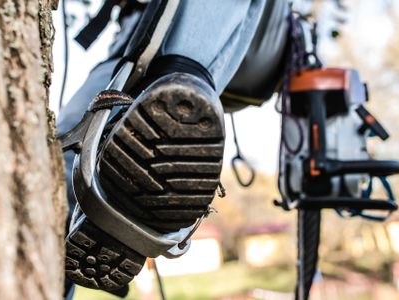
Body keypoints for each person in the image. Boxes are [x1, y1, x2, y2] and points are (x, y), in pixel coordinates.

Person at [57, 0, 289, 297]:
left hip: (160, 42)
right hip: (208, 46)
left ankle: (165, 99)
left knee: (65, 161)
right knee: (175, 89)